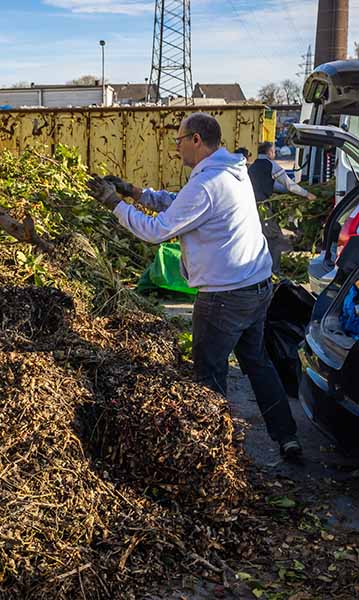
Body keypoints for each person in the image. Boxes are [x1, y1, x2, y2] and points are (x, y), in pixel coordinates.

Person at [87, 112, 302, 459]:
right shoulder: (231, 172)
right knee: (257, 361)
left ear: (197, 140)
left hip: (224, 296)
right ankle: (287, 437)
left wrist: (114, 203)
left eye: (179, 140)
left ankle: (217, 453)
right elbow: (183, 206)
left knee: (209, 373)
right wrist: (135, 192)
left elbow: (156, 231)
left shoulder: (206, 183)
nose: (176, 148)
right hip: (258, 286)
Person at [249, 141, 317, 274]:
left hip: (250, 207)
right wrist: (307, 194)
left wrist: (289, 193)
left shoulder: (253, 166)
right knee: (275, 239)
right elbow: (289, 185)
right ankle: (274, 272)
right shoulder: (271, 165)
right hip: (262, 209)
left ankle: (260, 269)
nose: (274, 153)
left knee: (259, 238)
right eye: (273, 151)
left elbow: (274, 186)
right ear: (269, 153)